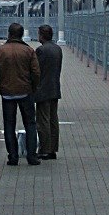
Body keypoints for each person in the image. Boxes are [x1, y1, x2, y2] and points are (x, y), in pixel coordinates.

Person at [0, 22, 41, 166]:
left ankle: (13, 157)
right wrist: (33, 88)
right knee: (30, 124)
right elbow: (36, 72)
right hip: (26, 92)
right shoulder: (29, 51)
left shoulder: (0, 51)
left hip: (7, 94)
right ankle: (32, 156)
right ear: (21, 35)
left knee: (9, 125)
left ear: (9, 34)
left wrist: (1, 89)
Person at [34, 24, 62, 160]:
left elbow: (36, 71)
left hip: (43, 90)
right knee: (53, 120)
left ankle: (44, 149)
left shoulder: (41, 50)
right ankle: (53, 149)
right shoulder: (58, 49)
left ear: (41, 35)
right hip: (54, 88)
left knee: (43, 121)